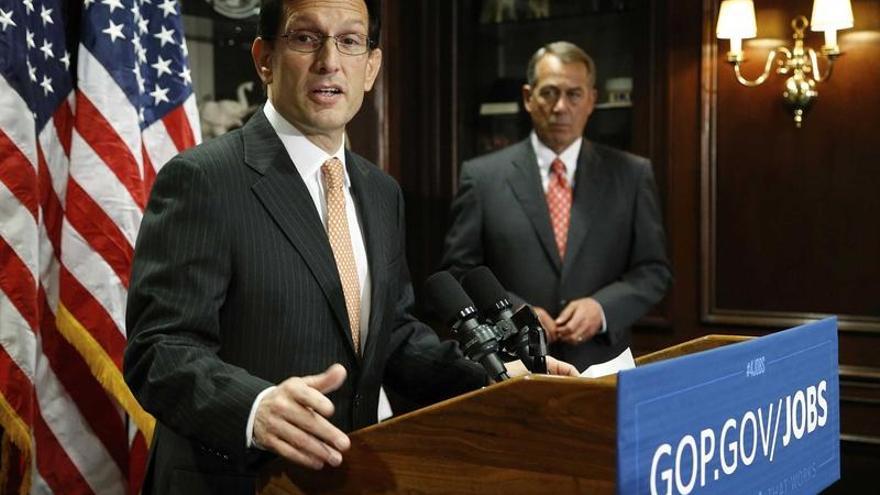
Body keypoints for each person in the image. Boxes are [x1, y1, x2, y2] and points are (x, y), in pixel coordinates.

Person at [123, 2, 576, 494]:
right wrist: (255, 408)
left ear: (371, 67)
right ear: (264, 58)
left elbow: (395, 336)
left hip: (350, 476)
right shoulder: (204, 179)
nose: (328, 61)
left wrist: (491, 378)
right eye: (305, 38)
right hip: (233, 481)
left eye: (349, 41)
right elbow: (160, 349)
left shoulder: (380, 192)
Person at [441, 41, 673, 372]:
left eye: (574, 94)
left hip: (605, 365)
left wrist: (602, 309)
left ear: (592, 100)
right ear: (528, 98)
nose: (560, 106)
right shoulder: (481, 178)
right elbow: (458, 272)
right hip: (514, 366)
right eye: (549, 93)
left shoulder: (632, 174)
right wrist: (516, 313)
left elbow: (654, 271)